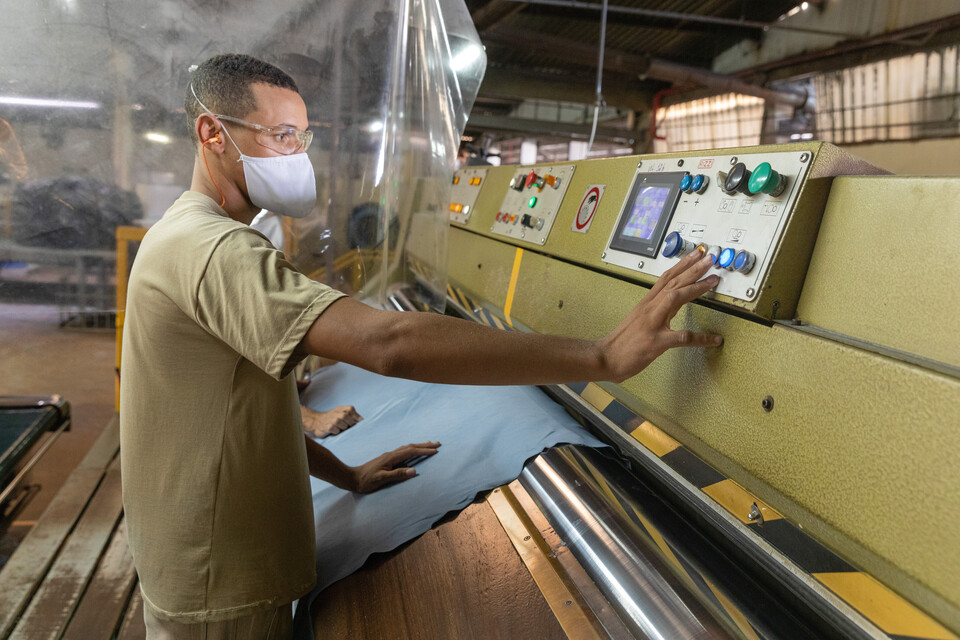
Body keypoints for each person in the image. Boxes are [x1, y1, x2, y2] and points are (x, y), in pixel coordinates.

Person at [120, 53, 721, 639]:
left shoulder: (192, 234)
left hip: (216, 560)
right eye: (279, 135)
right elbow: (391, 342)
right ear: (212, 133)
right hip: (219, 585)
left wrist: (347, 475)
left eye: (301, 138)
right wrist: (601, 357)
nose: (295, 155)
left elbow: (239, 415)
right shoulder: (211, 249)